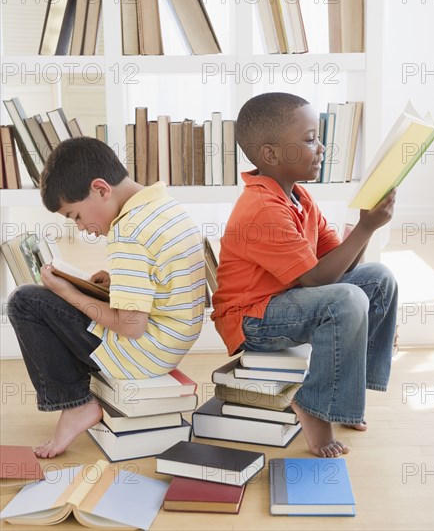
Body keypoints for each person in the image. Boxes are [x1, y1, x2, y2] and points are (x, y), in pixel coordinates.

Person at [211, 92, 398, 458]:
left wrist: (368, 225)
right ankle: (314, 409)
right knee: (346, 299)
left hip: (286, 302)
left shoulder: (298, 197)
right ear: (271, 155)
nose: (322, 148)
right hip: (252, 318)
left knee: (378, 279)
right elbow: (317, 280)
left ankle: (349, 394)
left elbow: (341, 265)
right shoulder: (262, 208)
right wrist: (364, 228)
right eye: (310, 139)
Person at [7, 137, 205, 458]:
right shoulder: (162, 206)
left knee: (26, 301)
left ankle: (76, 404)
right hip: (171, 342)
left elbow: (130, 326)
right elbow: (163, 276)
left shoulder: (127, 231)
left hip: (144, 352)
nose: (83, 228)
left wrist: (69, 292)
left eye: (76, 216)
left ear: (101, 189)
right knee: (54, 297)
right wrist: (116, 281)